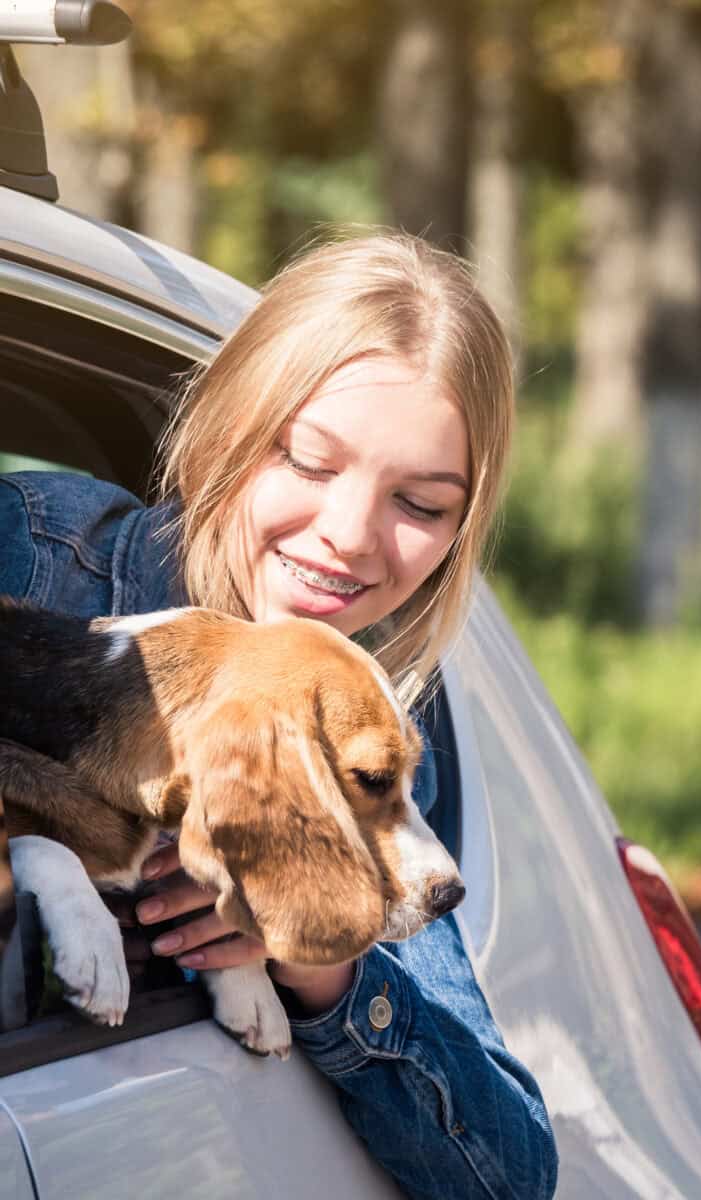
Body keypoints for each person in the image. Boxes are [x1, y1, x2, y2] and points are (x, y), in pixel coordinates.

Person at [0, 232, 558, 1199]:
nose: (348, 536)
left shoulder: (372, 726)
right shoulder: (27, 554)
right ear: (230, 426)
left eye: (421, 504)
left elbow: (507, 1176)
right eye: (308, 460)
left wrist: (322, 962)